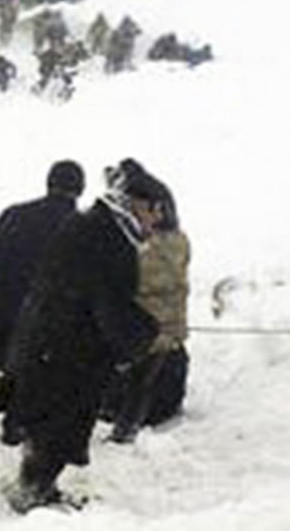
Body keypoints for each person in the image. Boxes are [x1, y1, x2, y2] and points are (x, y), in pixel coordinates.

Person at [0, 162, 163, 513]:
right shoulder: (105, 236)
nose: (157, 219)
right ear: (132, 203)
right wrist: (141, 333)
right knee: (57, 427)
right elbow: (106, 299)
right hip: (66, 350)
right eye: (154, 209)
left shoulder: (97, 225)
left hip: (58, 343)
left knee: (52, 424)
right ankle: (32, 496)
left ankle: (37, 488)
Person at [0, 161, 84, 419]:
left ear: (48, 182)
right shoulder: (78, 224)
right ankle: (10, 415)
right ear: (80, 188)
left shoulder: (15, 213)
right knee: (31, 361)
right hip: (45, 306)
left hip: (4, 297)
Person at [105, 161, 191, 443]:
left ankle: (124, 428)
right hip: (171, 380)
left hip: (134, 370)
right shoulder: (179, 243)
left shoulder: (134, 249)